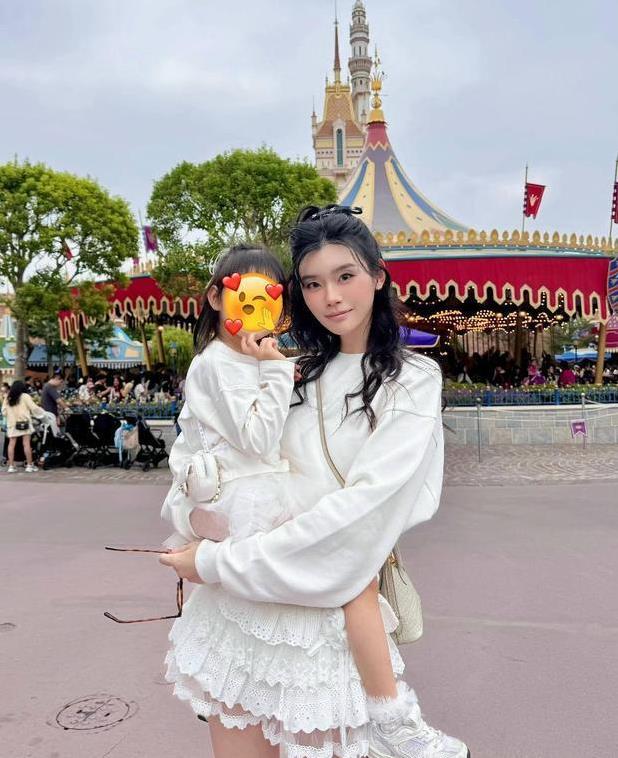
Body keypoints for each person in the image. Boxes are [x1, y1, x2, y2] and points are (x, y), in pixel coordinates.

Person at [159, 207, 469, 758]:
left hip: (322, 613)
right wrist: (192, 516)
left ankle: (397, 722)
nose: (331, 297)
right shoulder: (290, 370)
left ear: (378, 275)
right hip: (240, 610)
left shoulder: (411, 382)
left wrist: (214, 561)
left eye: (345, 276)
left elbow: (362, 514)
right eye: (312, 283)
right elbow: (209, 455)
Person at [2, 380, 47, 473]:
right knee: (26, 444)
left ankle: (11, 466)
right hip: (24, 423)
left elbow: (4, 412)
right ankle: (29, 466)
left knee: (11, 444)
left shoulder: (8, 397)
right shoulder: (25, 396)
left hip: (12, 424)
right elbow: (34, 408)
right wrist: (43, 414)